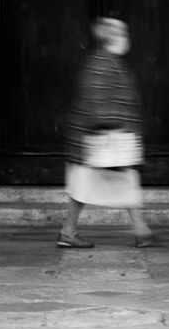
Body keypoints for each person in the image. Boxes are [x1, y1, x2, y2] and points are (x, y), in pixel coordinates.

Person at [58, 17, 155, 249]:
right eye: (122, 34)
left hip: (102, 140)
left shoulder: (106, 61)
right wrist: (112, 127)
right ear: (112, 37)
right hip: (101, 140)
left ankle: (141, 231)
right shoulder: (103, 62)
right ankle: (69, 232)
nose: (126, 39)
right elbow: (97, 100)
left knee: (105, 185)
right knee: (90, 187)